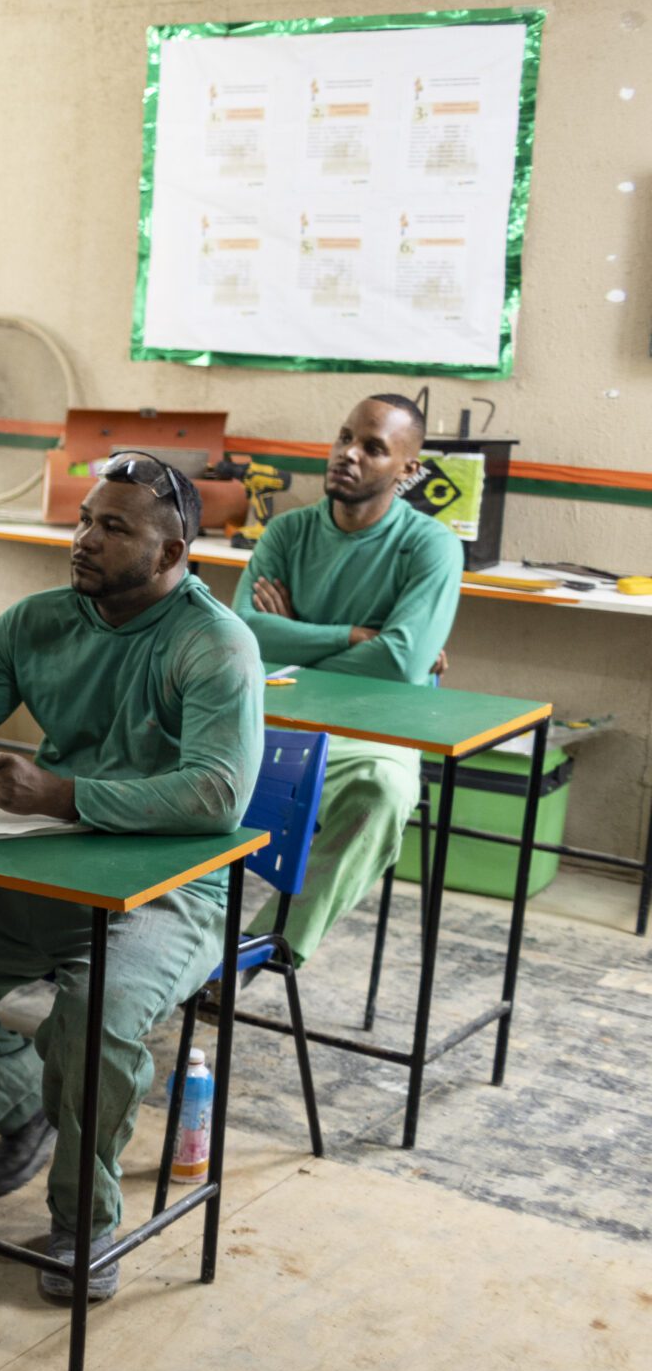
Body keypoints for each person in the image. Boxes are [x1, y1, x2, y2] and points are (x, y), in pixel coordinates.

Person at [0, 455, 262, 1304]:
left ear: (174, 550)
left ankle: (84, 1222)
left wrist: (65, 793)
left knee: (94, 1018)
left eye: (115, 529)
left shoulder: (214, 643)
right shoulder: (38, 621)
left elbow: (217, 796)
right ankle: (27, 1099)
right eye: (84, 521)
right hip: (48, 867)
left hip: (170, 894)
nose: (86, 540)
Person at [231, 395, 458, 963]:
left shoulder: (431, 547)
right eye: (344, 438)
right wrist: (351, 635)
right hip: (270, 720)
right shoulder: (285, 533)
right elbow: (239, 635)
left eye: (373, 448)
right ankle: (140, 945)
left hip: (373, 731)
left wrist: (296, 634)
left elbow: (401, 664)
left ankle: (254, 955)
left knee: (383, 791)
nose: (348, 454)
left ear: (408, 470)